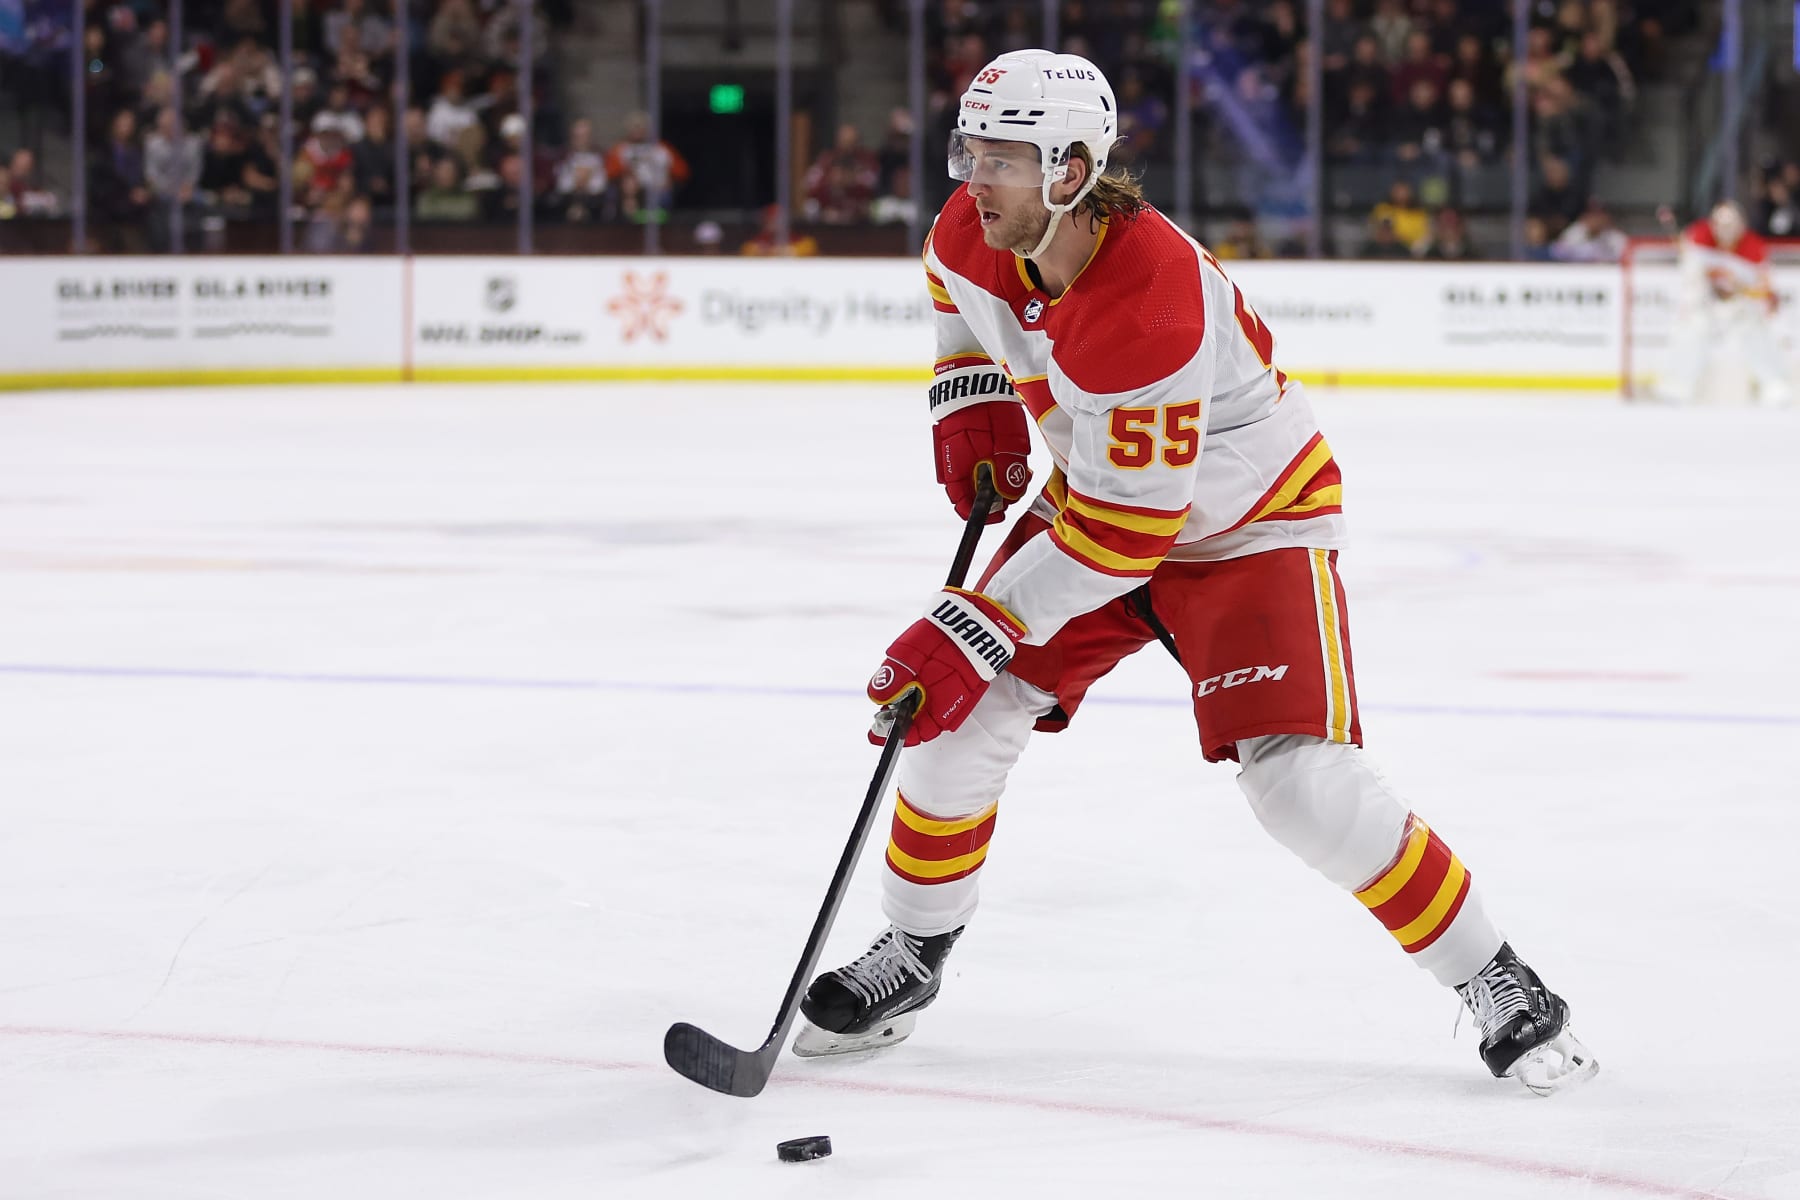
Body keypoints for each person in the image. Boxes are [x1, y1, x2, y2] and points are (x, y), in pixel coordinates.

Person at [795, 49, 1599, 1096]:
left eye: (1002, 157)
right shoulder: (971, 228)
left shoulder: (1151, 297)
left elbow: (1130, 537)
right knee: (952, 726)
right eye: (968, 149)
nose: (972, 178)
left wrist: (969, 626)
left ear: (1074, 171)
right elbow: (955, 295)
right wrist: (974, 396)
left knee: (1298, 786)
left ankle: (1498, 977)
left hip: (1247, 527)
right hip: (1105, 496)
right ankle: (915, 949)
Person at [1656, 201, 1793, 406]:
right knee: (1693, 326)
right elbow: (1690, 272)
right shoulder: (1700, 235)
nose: (1726, 232)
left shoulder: (1753, 246)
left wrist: (1739, 288)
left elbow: (1764, 289)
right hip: (1707, 300)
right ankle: (1678, 383)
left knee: (1757, 331)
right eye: (1721, 226)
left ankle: (1774, 383)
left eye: (1731, 226)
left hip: (1741, 304)